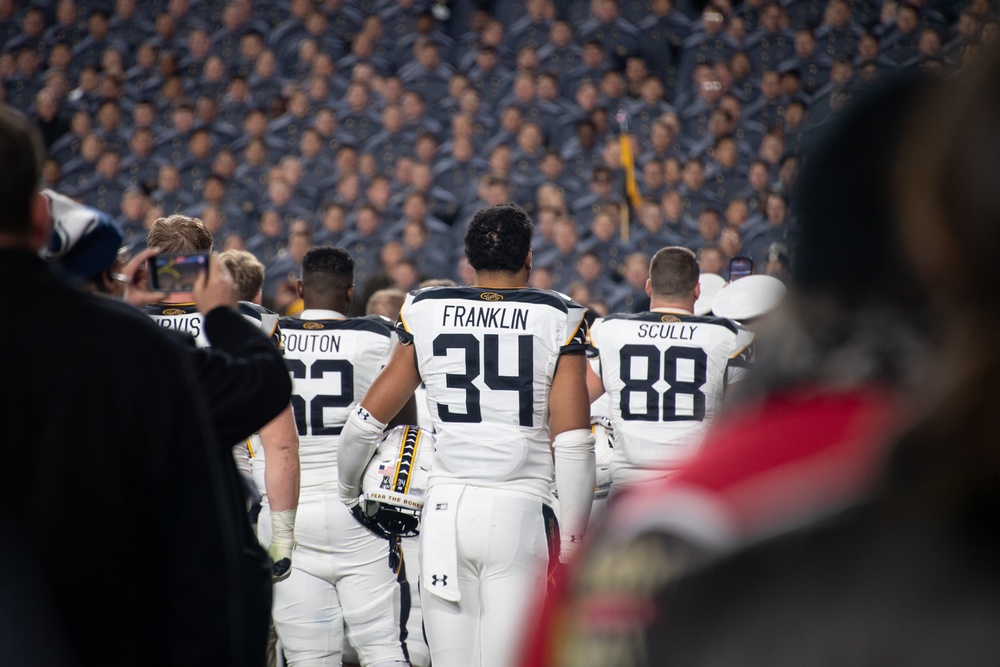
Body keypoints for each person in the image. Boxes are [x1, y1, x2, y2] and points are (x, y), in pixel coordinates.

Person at [0, 106, 273, 665]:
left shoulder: (126, 334)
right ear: (37, 217)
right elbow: (260, 390)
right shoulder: (129, 347)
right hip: (110, 619)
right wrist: (220, 316)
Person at [338, 203, 595, 667]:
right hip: (520, 512)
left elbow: (363, 424)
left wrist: (346, 489)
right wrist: (574, 546)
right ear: (529, 258)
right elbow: (574, 444)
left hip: (445, 514)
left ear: (469, 260)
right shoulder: (559, 315)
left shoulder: (426, 308)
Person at [259, 247, 415, 667]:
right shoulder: (378, 334)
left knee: (309, 657)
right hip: (359, 510)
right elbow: (405, 428)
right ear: (350, 293)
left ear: (298, 289)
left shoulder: (265, 335)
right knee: (383, 650)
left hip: (285, 509)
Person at [142, 216, 300, 584]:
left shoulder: (122, 321)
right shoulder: (247, 322)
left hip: (139, 488)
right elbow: (281, 445)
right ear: (209, 263)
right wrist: (282, 540)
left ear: (153, 260)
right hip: (220, 492)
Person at [586, 246, 754, 492]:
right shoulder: (729, 335)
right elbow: (742, 417)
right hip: (695, 481)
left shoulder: (608, 329)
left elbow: (576, 403)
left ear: (648, 287)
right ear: (697, 290)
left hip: (628, 484)